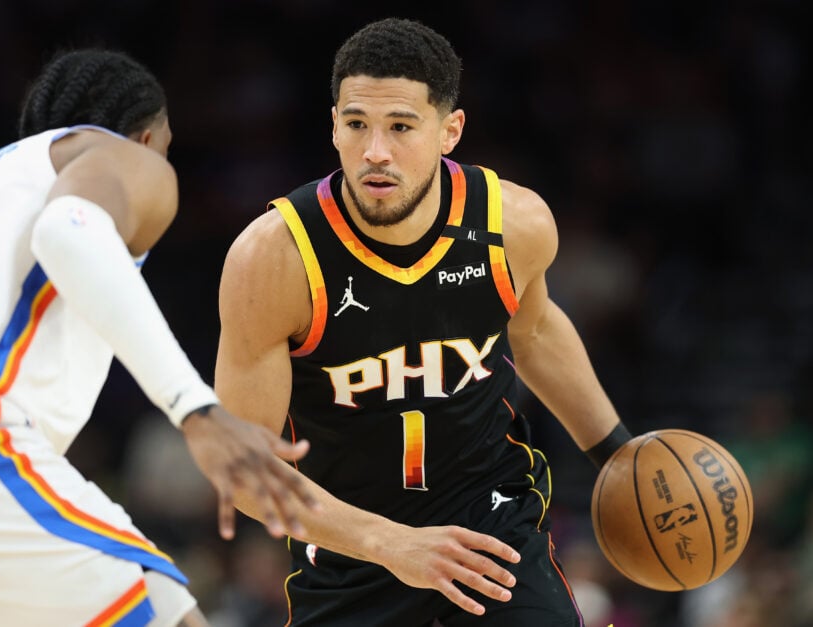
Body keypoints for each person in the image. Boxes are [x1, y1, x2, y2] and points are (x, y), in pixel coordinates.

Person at [0, 48, 317, 627]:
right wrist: (197, 411)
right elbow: (68, 228)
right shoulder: (125, 156)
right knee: (163, 612)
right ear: (148, 135)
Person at [214, 17, 632, 625]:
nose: (375, 152)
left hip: (491, 525)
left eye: (401, 127)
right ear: (333, 126)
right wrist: (392, 544)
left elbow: (536, 331)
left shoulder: (512, 224)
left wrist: (617, 452)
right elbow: (246, 471)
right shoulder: (273, 259)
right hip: (350, 547)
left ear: (449, 130)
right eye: (356, 124)